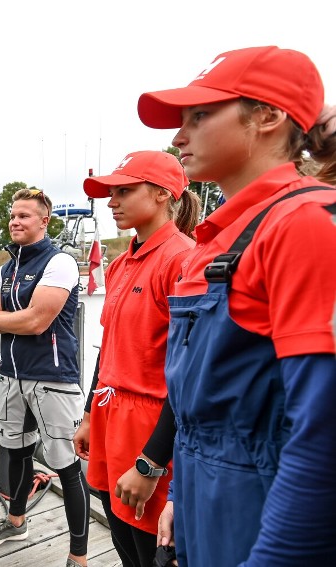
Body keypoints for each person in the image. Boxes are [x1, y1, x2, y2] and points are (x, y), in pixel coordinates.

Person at [136, 46, 336, 565]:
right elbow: (202, 409)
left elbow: (322, 429)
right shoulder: (216, 240)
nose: (179, 136)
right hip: (208, 497)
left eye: (199, 117)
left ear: (267, 117)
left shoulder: (304, 225)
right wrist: (181, 495)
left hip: (268, 512)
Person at [72, 151, 200, 567]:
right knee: (122, 540)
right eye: (112, 192)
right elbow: (109, 345)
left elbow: (190, 373)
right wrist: (91, 412)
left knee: (152, 552)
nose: (112, 201)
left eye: (124, 190)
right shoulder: (121, 263)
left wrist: (152, 463)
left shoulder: (183, 259)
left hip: (151, 426)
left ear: (162, 194)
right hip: (110, 415)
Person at [0, 188, 91, 567]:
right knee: (19, 457)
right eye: (13, 216)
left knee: (66, 466)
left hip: (52, 378)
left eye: (24, 215)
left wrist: (1, 321)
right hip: (11, 376)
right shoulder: (5, 269)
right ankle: (16, 521)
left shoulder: (60, 262)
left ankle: (79, 556)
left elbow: (36, 320)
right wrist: (4, 320)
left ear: (44, 221)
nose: (15, 221)